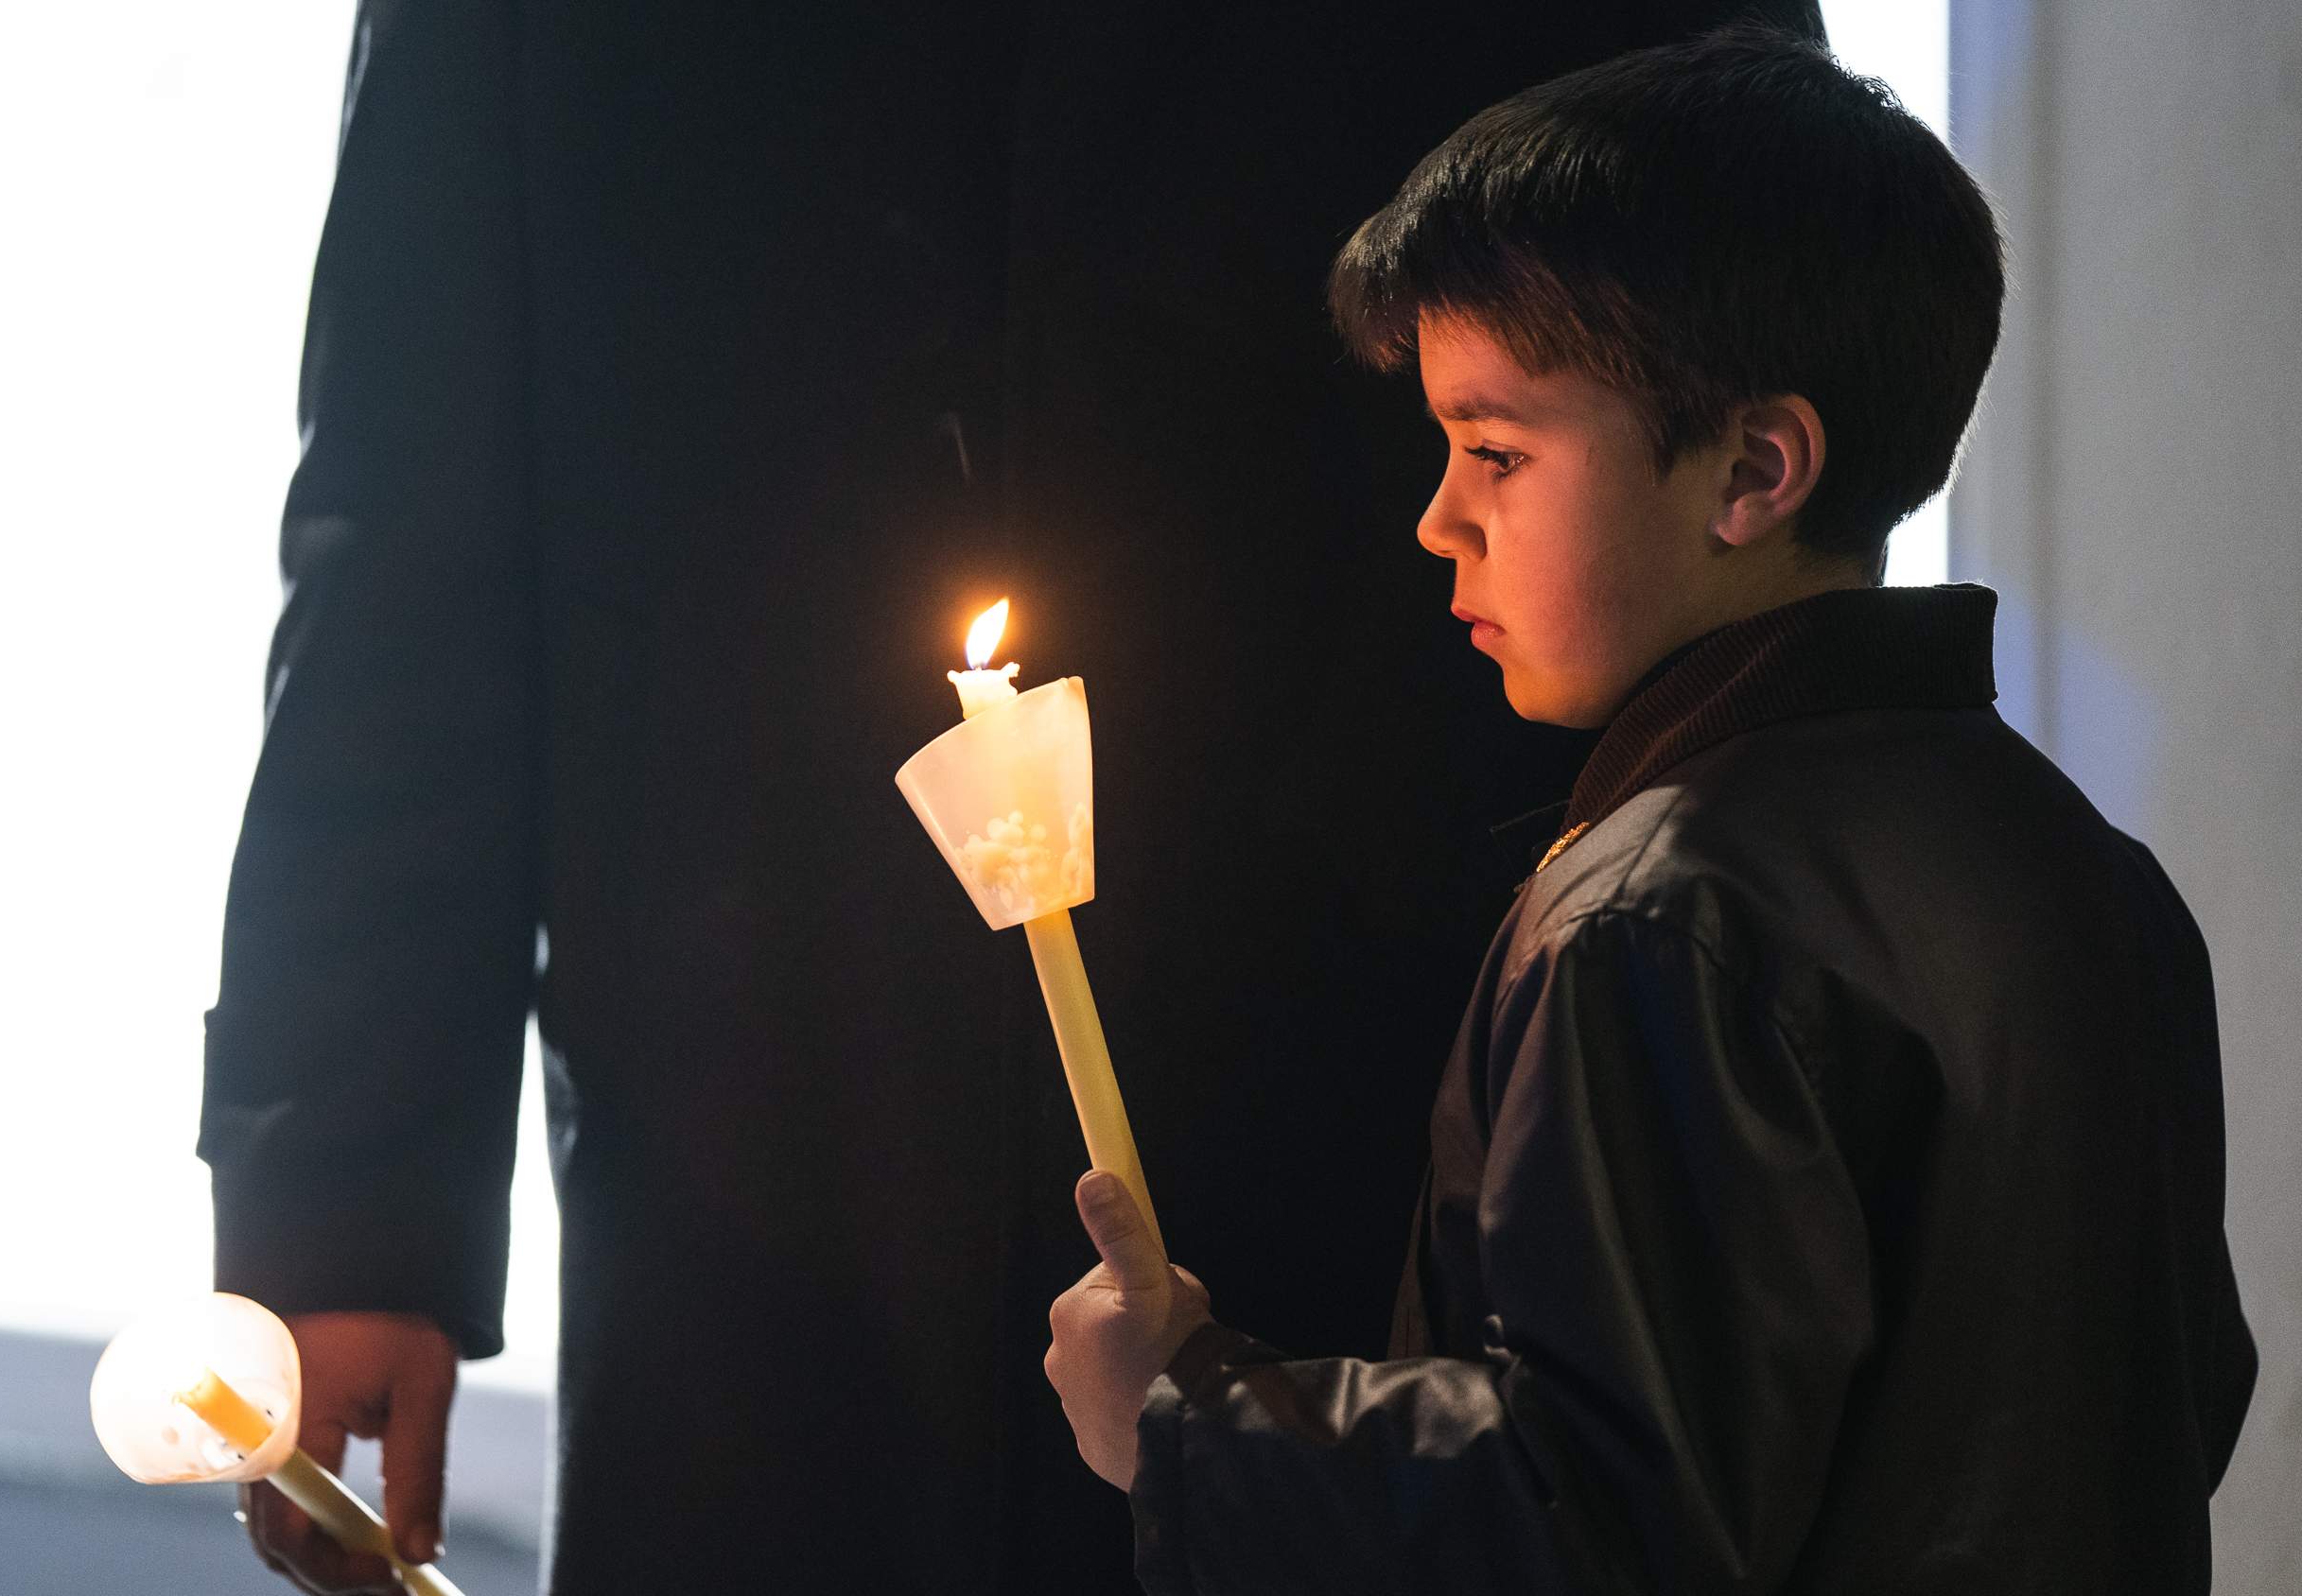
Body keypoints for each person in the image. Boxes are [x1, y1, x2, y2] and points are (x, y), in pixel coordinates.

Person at [201, 4, 1828, 1592]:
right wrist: (350, 1196)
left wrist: (1739, 1064)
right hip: (759, 1102)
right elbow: (410, 543)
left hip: (1394, 1043)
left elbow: (1750, 382)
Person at [1043, 26, 2258, 1592]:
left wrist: (1181, 1411)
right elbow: (2174, 1399)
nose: (1437, 521)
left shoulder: (1663, 909)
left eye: (1495, 449)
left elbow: (1592, 1520)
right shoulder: (2086, 869)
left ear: (1753, 469)